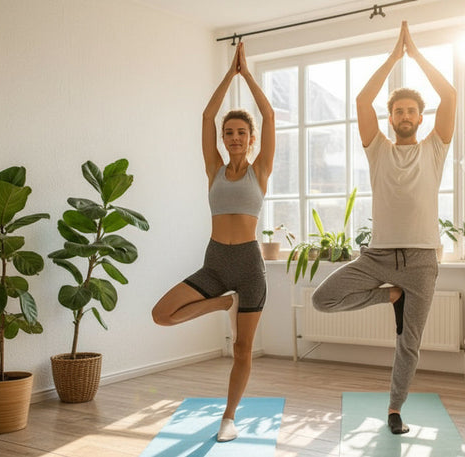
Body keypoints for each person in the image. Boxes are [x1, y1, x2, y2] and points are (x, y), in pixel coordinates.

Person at [311, 21, 456, 434]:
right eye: (398, 111)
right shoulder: (377, 149)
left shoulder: (435, 148)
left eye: (411, 110)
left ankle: (394, 409)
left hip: (422, 260)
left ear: (420, 117)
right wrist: (394, 57)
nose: (405, 115)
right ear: (390, 118)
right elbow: (361, 99)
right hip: (377, 258)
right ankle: (388, 295)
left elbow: (450, 95)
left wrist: (417, 54)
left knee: (408, 343)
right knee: (324, 299)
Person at [151, 41, 274, 443]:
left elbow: (269, 115)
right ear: (222, 139)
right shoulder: (214, 170)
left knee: (242, 349)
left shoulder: (261, 171)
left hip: (250, 265)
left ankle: (229, 417)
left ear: (251, 139)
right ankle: (224, 302)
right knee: (162, 314)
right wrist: (230, 74)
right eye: (229, 133)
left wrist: (248, 75)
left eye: (241, 132)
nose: (234, 137)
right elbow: (206, 115)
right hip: (216, 262)